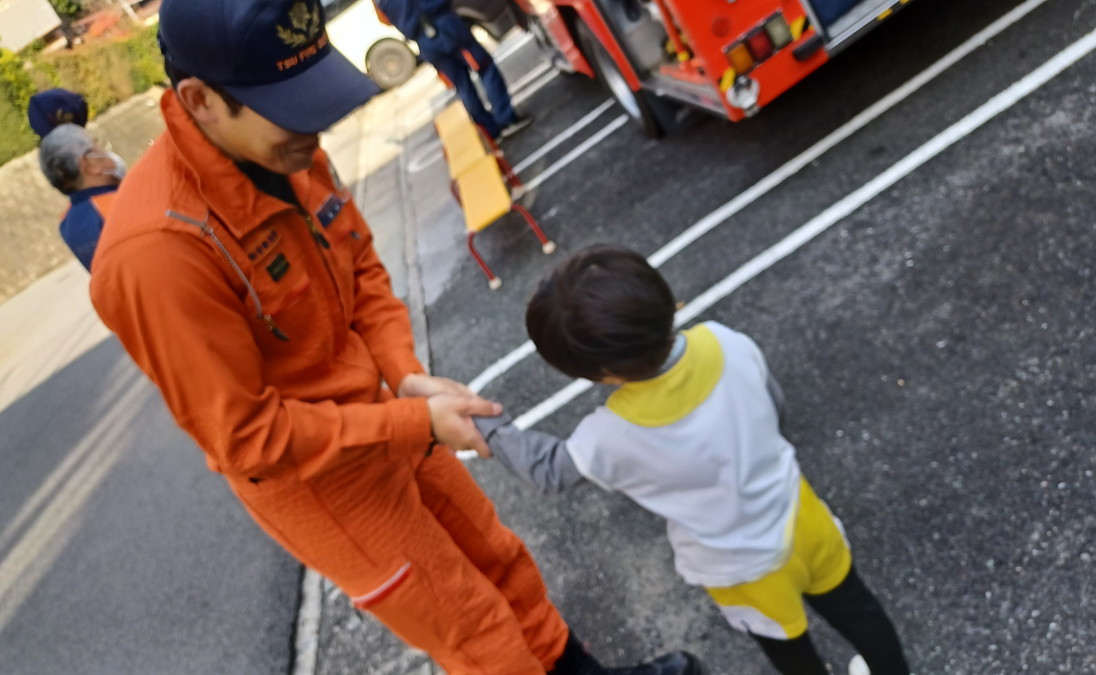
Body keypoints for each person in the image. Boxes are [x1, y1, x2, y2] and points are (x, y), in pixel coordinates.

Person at [89, 1, 696, 673]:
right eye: (292, 108)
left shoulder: (285, 148)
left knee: (497, 557)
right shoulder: (157, 253)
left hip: (387, 413)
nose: (316, 130)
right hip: (324, 484)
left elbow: (361, 267)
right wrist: (412, 421)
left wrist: (404, 374)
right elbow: (248, 437)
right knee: (472, 626)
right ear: (200, 100)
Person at [474, 245, 911, 675]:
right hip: (800, 516)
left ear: (603, 374)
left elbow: (548, 470)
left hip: (739, 567)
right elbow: (775, 408)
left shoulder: (608, 436)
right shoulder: (725, 341)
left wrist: (488, 423)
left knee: (791, 652)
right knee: (858, 610)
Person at [374, 0, 530, 139]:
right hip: (444, 25)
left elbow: (384, 20)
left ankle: (490, 131)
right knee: (484, 67)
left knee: (462, 85)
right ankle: (506, 119)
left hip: (423, 41)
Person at [36, 122, 124, 271]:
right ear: (89, 164)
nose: (106, 152)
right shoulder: (118, 205)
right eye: (98, 144)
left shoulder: (67, 222)